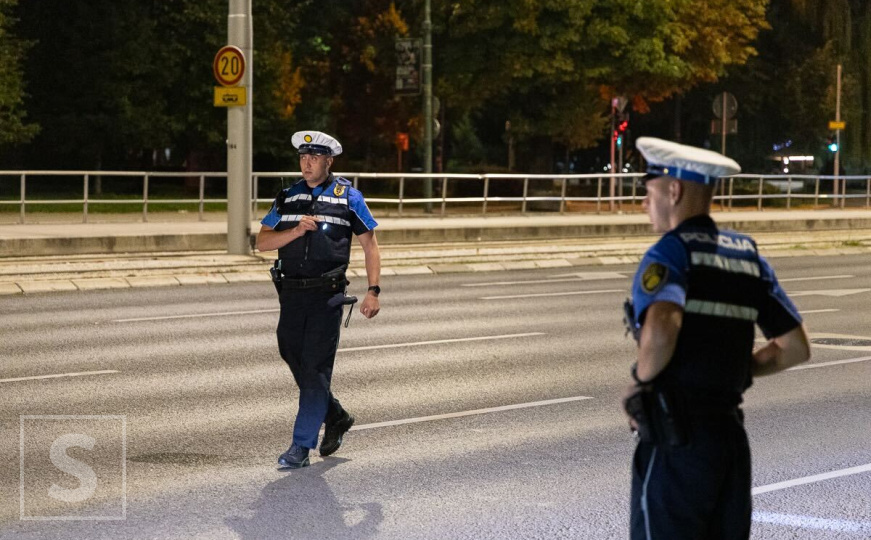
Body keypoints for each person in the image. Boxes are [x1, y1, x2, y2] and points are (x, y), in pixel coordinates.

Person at [622, 137, 811, 540]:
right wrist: (739, 369)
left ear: (673, 190)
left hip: (678, 437)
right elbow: (795, 347)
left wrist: (640, 382)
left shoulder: (670, 253)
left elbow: (662, 326)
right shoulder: (746, 256)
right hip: (729, 438)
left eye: (648, 190)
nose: (643, 202)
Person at [257, 130, 382, 469]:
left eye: (314, 158)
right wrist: (296, 230)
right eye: (302, 157)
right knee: (290, 353)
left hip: (327, 296)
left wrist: (373, 290)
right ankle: (336, 415)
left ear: (329, 161)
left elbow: (370, 244)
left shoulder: (348, 197)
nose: (307, 163)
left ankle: (301, 446)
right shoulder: (287, 197)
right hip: (291, 294)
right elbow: (262, 242)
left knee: (314, 369)